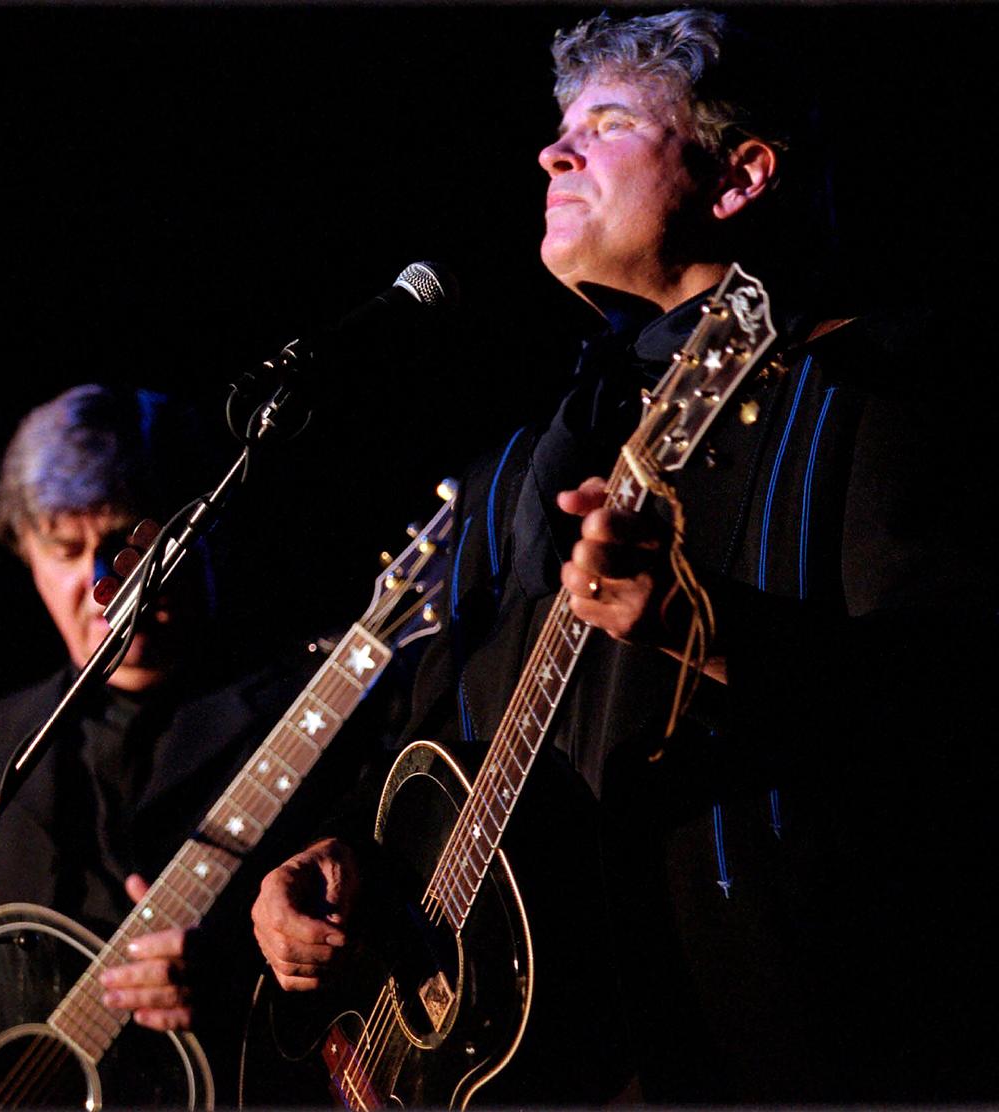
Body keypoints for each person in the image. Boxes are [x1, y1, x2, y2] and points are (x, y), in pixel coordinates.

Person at [250, 9, 997, 1104]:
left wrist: (699, 626)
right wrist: (340, 872)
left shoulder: (867, 394)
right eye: (558, 126)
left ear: (739, 178)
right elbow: (433, 753)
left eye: (602, 124)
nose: (553, 150)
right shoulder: (518, 465)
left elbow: (949, 701)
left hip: (786, 1045)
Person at [0, 383, 316, 1099]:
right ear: (25, 551)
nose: (101, 584)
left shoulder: (316, 711)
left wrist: (246, 988)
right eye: (65, 549)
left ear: (200, 529)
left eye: (128, 545)